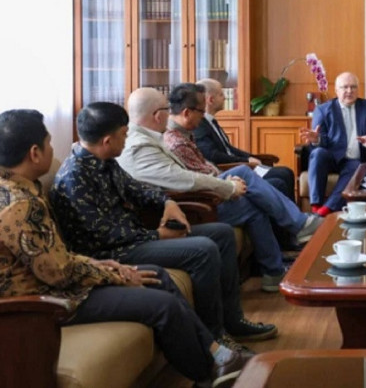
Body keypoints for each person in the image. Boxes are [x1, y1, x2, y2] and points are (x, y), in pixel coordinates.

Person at [0, 110, 250, 387]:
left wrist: (165, 204)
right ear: (34, 153)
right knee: (163, 304)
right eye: (49, 143)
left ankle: (217, 354)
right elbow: (58, 273)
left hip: (63, 279)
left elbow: (54, 258)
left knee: (155, 275)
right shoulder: (20, 204)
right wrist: (113, 272)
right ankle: (211, 374)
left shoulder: (23, 188)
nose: (52, 149)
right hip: (42, 304)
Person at [50, 102, 277, 345]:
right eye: (124, 134)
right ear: (107, 140)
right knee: (203, 250)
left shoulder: (104, 161)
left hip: (134, 237)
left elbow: (137, 189)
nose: (127, 140)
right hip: (111, 252)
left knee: (221, 234)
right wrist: (157, 236)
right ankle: (214, 336)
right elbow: (103, 236)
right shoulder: (75, 177)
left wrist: (167, 202)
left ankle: (233, 321)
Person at [119, 86, 322, 292]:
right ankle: (294, 234)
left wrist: (227, 182)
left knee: (252, 196)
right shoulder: (140, 147)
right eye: (167, 108)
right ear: (157, 115)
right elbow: (183, 180)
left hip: (188, 198)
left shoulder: (150, 138)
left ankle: (275, 268)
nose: (171, 112)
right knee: (247, 183)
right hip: (186, 209)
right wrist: (228, 186)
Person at [299, 72, 366, 216]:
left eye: (353, 87)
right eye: (345, 87)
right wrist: (317, 139)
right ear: (336, 91)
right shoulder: (323, 110)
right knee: (317, 153)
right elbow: (322, 139)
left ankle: (324, 211)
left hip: (354, 160)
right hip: (330, 157)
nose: (349, 91)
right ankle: (315, 205)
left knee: (357, 167)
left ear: (358, 89)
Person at [194, 78, 295, 198]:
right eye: (221, 94)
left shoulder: (211, 122)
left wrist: (250, 157)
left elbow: (229, 148)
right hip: (228, 171)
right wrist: (246, 162)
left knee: (286, 172)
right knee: (282, 176)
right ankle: (288, 215)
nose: (225, 97)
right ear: (211, 99)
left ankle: (292, 214)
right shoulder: (200, 125)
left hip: (237, 165)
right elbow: (213, 155)